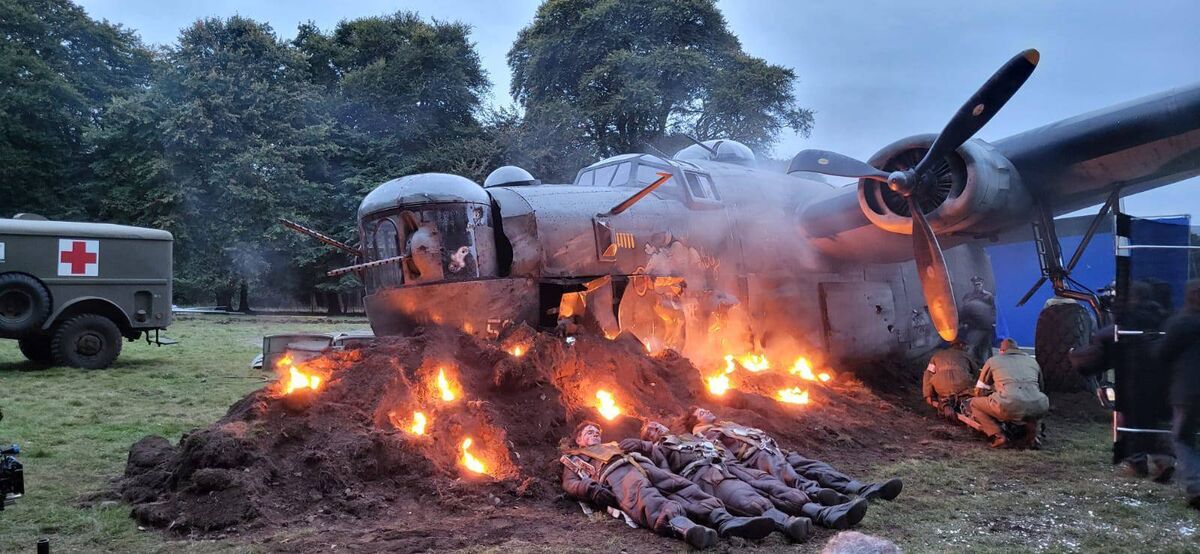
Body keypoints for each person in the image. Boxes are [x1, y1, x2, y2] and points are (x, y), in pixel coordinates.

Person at [626, 421, 869, 535]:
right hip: (706, 475)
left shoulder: (687, 437)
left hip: (731, 466)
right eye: (651, 430)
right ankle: (787, 525)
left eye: (657, 425)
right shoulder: (658, 449)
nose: (656, 428)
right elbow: (665, 474)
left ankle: (823, 513)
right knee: (745, 498)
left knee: (771, 484)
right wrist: (644, 446)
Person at [559, 421, 773, 549]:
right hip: (617, 474)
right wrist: (590, 489)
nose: (595, 434)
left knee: (683, 487)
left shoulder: (613, 445)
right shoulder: (575, 458)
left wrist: (642, 447)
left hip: (645, 466)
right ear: (578, 439)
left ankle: (724, 520)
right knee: (646, 498)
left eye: (597, 432)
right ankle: (686, 528)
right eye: (589, 432)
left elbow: (659, 455)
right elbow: (570, 483)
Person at [685, 407, 903, 502]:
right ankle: (827, 500)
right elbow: (722, 456)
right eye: (701, 413)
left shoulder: (724, 423)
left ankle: (863, 489)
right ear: (696, 422)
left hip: (772, 450)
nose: (707, 412)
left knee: (815, 467)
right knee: (792, 479)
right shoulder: (705, 433)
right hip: (756, 457)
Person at [1157, 280, 1200, 509]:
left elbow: (1163, 353)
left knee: (1183, 439)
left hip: (1188, 391)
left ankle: (1196, 486)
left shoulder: (1181, 322)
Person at [965, 338, 1050, 448]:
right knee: (1034, 405)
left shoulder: (993, 361)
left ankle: (998, 435)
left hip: (1009, 404)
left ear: (1001, 351)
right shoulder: (1032, 361)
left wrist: (988, 397)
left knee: (974, 403)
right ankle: (1034, 437)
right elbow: (1041, 387)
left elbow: (980, 389)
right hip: (1040, 404)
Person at [923, 339, 978, 420]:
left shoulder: (937, 355)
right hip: (962, 387)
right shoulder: (966, 355)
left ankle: (945, 403)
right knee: (968, 394)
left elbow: (928, 374)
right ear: (961, 345)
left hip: (941, 388)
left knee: (943, 392)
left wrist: (928, 394)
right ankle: (965, 404)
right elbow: (976, 372)